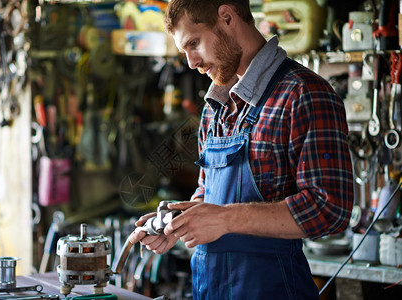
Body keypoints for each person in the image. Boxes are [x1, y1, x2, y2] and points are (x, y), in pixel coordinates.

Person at [129, 1, 354, 299]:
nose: (191, 62)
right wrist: (177, 223)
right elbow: (208, 193)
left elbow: (329, 208)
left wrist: (224, 218)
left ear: (227, 17)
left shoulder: (303, 94)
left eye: (194, 43)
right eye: (184, 50)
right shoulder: (215, 109)